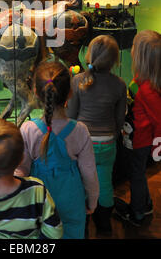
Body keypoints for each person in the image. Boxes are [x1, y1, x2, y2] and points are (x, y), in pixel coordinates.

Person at [15, 61, 99, 239]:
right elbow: (89, 173)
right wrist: (92, 201)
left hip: (39, 204)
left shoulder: (28, 129)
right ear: (70, 93)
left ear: (36, 93)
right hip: (72, 202)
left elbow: (21, 170)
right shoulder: (80, 130)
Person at [66, 35, 127, 234]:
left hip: (83, 143)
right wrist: (113, 137)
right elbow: (119, 120)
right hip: (107, 142)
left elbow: (72, 116)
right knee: (105, 182)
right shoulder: (119, 84)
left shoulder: (78, 81)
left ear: (89, 56)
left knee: (82, 182)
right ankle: (104, 224)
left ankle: (83, 222)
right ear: (115, 60)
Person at [114, 30, 161, 227]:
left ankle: (137, 213)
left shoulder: (147, 91)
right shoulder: (145, 84)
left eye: (133, 46)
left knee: (137, 175)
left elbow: (158, 120)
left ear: (139, 56)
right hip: (137, 139)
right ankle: (145, 204)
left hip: (140, 143)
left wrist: (157, 150)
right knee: (138, 174)